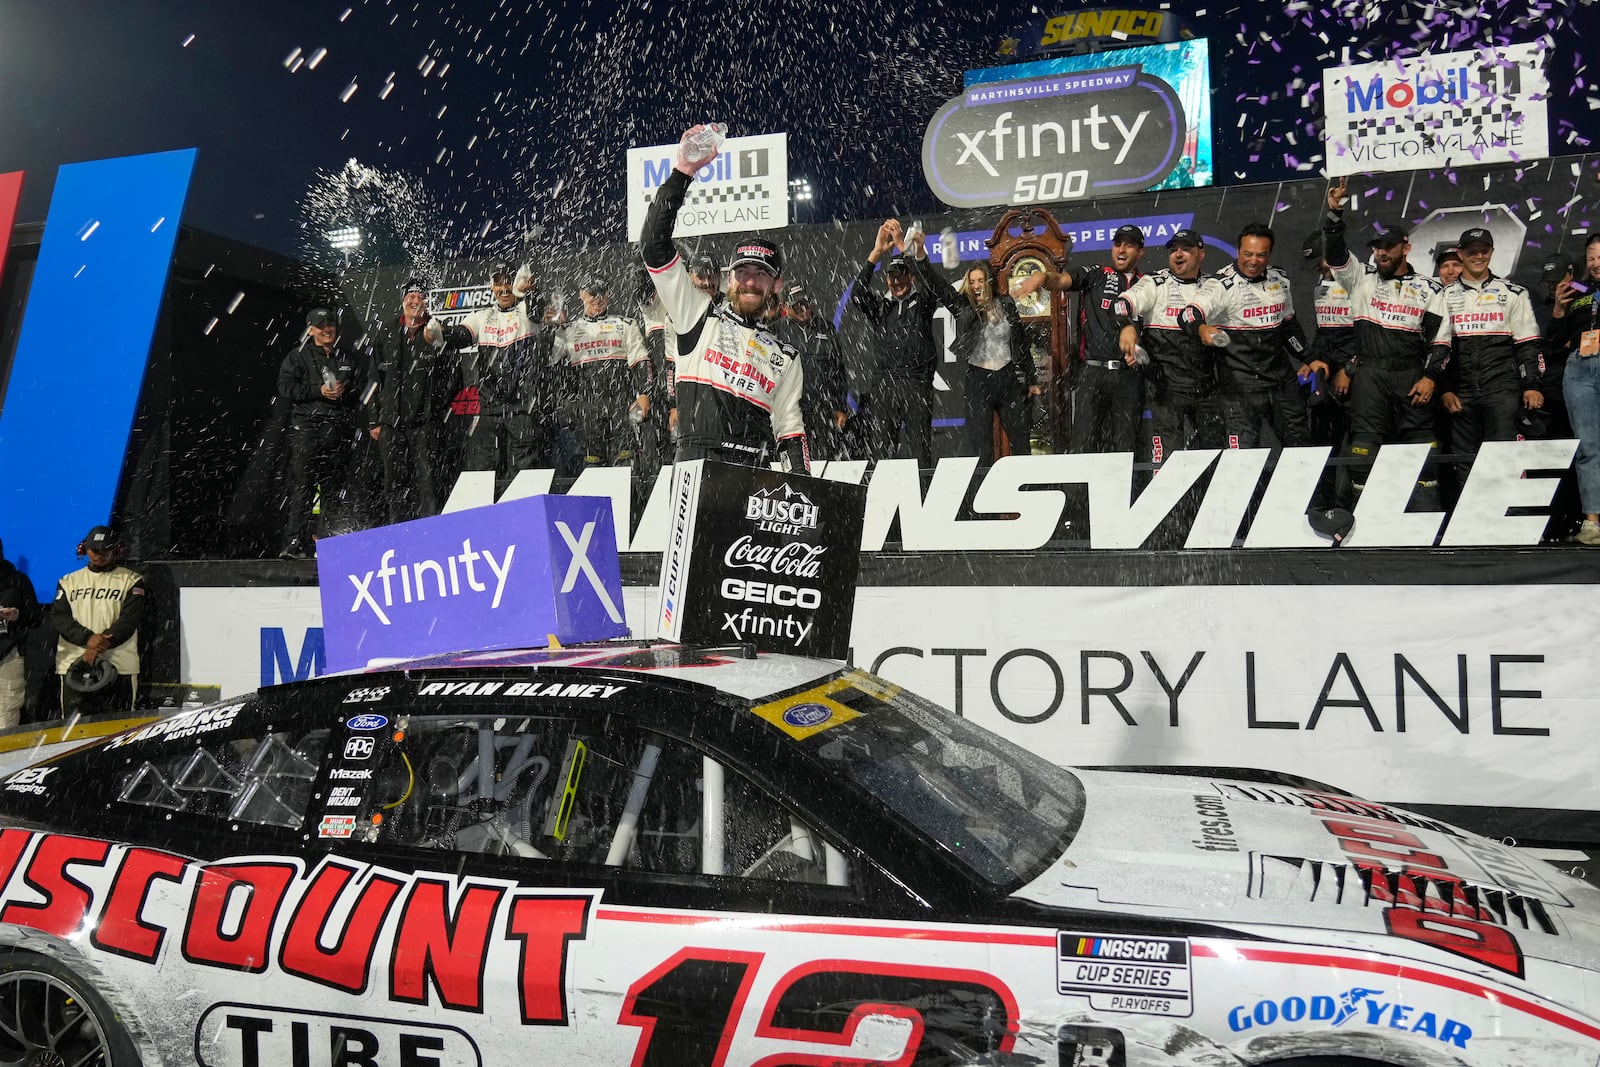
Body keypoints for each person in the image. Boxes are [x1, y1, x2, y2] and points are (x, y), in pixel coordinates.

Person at [639, 125, 808, 471]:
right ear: (729, 278)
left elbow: (791, 433)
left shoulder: (786, 358)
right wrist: (682, 173)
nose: (749, 281)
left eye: (760, 274)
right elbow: (653, 247)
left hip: (754, 476)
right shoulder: (697, 316)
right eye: (743, 272)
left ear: (776, 284)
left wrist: (801, 490)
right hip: (696, 468)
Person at [1320, 177, 1453, 510]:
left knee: (1423, 447)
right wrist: (1334, 214)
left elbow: (1441, 341)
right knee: (1362, 447)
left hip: (1411, 375)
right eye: (1377, 247)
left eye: (1388, 247)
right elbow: (1336, 255)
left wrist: (1430, 377)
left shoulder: (1430, 289)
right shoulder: (1360, 278)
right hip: (1370, 375)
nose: (1381, 252)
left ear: (1405, 248)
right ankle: (1365, 518)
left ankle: (1427, 516)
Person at [1179, 223, 1315, 453]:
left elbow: (1289, 327)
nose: (1253, 261)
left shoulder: (1280, 280)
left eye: (1261, 255)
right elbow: (1188, 314)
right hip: (1240, 389)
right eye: (1247, 254)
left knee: (1300, 450)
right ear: (1238, 251)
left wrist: (1309, 358)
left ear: (1269, 255)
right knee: (1241, 458)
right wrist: (1202, 329)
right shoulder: (1220, 284)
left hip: (1281, 383)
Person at [1015, 223, 1146, 454]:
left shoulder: (1148, 284)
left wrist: (1140, 351)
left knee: (1126, 447)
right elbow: (1063, 281)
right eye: (1118, 244)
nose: (1122, 249)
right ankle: (1076, 492)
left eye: (1129, 245)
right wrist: (1043, 277)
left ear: (1141, 251)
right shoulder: (1097, 273)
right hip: (1092, 374)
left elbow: (1151, 331)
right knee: (1083, 443)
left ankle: (1125, 491)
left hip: (1127, 377)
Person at [431, 262, 557, 481]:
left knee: (524, 473)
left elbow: (538, 309)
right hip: (490, 407)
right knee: (485, 470)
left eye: (508, 281)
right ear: (491, 286)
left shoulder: (526, 310)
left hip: (523, 407)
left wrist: (529, 290)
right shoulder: (481, 316)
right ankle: (490, 514)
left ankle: (523, 514)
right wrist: (441, 332)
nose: (504, 288)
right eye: (498, 283)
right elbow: (461, 336)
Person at [851, 220, 962, 467]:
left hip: (916, 383)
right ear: (887, 279)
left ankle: (922, 499)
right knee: (881, 450)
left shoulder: (923, 301)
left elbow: (934, 283)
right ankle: (885, 502)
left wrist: (905, 248)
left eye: (902, 276)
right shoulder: (880, 306)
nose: (896, 282)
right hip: (884, 384)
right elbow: (857, 294)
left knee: (920, 448)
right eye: (892, 277)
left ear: (910, 277)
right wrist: (876, 253)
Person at [1437, 227, 1543, 483]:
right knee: (1465, 461)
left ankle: (1510, 517)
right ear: (1461, 254)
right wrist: (1444, 389)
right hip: (1460, 391)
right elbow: (1435, 349)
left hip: (1502, 389)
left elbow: (1527, 345)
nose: (1478, 256)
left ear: (1492, 253)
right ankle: (1471, 518)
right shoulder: (1442, 297)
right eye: (1472, 251)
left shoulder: (1514, 293)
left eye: (1484, 251)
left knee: (1505, 455)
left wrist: (1531, 385)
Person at [1115, 230, 1224, 466]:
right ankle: (1170, 503)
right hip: (1165, 388)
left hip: (1205, 388)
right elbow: (1124, 303)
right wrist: (1129, 326)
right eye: (1174, 249)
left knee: (1215, 456)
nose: (1178, 254)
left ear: (1201, 254)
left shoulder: (1213, 285)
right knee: (1169, 459)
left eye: (1186, 249)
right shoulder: (1155, 281)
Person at [277, 307, 365, 559]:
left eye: (331, 325)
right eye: (322, 325)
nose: (327, 329)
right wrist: (318, 391)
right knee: (303, 486)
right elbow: (285, 386)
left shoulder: (345, 357)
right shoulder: (298, 356)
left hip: (337, 429)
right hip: (307, 428)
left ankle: (327, 544)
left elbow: (360, 388)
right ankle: (294, 542)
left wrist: (345, 391)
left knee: (332, 487)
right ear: (311, 329)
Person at [371, 277, 453, 522]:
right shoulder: (386, 331)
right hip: (390, 423)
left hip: (425, 424)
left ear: (426, 302)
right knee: (393, 481)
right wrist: (375, 419)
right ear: (403, 300)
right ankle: (398, 530)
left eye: (420, 297)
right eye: (410, 296)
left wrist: (436, 408)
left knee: (427, 481)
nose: (415, 301)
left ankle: (430, 531)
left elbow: (453, 373)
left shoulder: (436, 329)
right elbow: (374, 377)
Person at [551, 276, 652, 468]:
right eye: (592, 293)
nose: (597, 299)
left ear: (609, 295)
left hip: (621, 405)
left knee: (626, 465)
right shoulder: (567, 330)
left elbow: (642, 362)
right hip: (587, 408)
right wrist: (551, 329)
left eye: (602, 293)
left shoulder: (626, 324)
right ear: (581, 294)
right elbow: (551, 364)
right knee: (592, 467)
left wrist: (644, 394)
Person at [52, 526, 147, 717]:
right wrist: (88, 638)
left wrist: (95, 647)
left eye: (105, 550)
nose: (99, 555)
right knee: (73, 731)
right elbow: (59, 618)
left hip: (119, 666)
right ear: (84, 549)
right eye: (94, 550)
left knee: (120, 729)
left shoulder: (132, 580)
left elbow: (129, 620)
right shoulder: (68, 581)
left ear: (116, 550)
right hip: (74, 667)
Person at [952, 261, 1039, 463]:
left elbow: (1021, 343)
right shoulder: (965, 307)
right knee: (982, 448)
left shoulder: (1006, 304)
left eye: (980, 280)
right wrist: (919, 256)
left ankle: (1028, 490)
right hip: (978, 380)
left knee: (1021, 442)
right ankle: (982, 491)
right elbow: (936, 284)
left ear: (989, 282)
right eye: (972, 281)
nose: (976, 286)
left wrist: (1032, 379)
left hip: (1007, 377)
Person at [1549, 234, 1600, 544]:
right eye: (1592, 257)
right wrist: (1557, 309)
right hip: (1580, 368)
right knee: (1588, 448)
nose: (1596, 263)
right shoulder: (1578, 293)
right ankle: (1593, 523)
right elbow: (1554, 345)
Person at [780, 282, 851, 461]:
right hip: (791, 409)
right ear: (786, 307)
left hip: (822, 408)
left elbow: (838, 370)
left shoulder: (826, 328)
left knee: (822, 458)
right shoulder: (778, 331)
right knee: (793, 460)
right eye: (796, 305)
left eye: (805, 303)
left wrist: (840, 406)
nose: (802, 309)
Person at [0, 537, 39, 729]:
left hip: (9, 652)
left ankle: (6, 756)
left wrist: (17, 615)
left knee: (7, 709)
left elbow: (36, 617)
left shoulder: (19, 580)